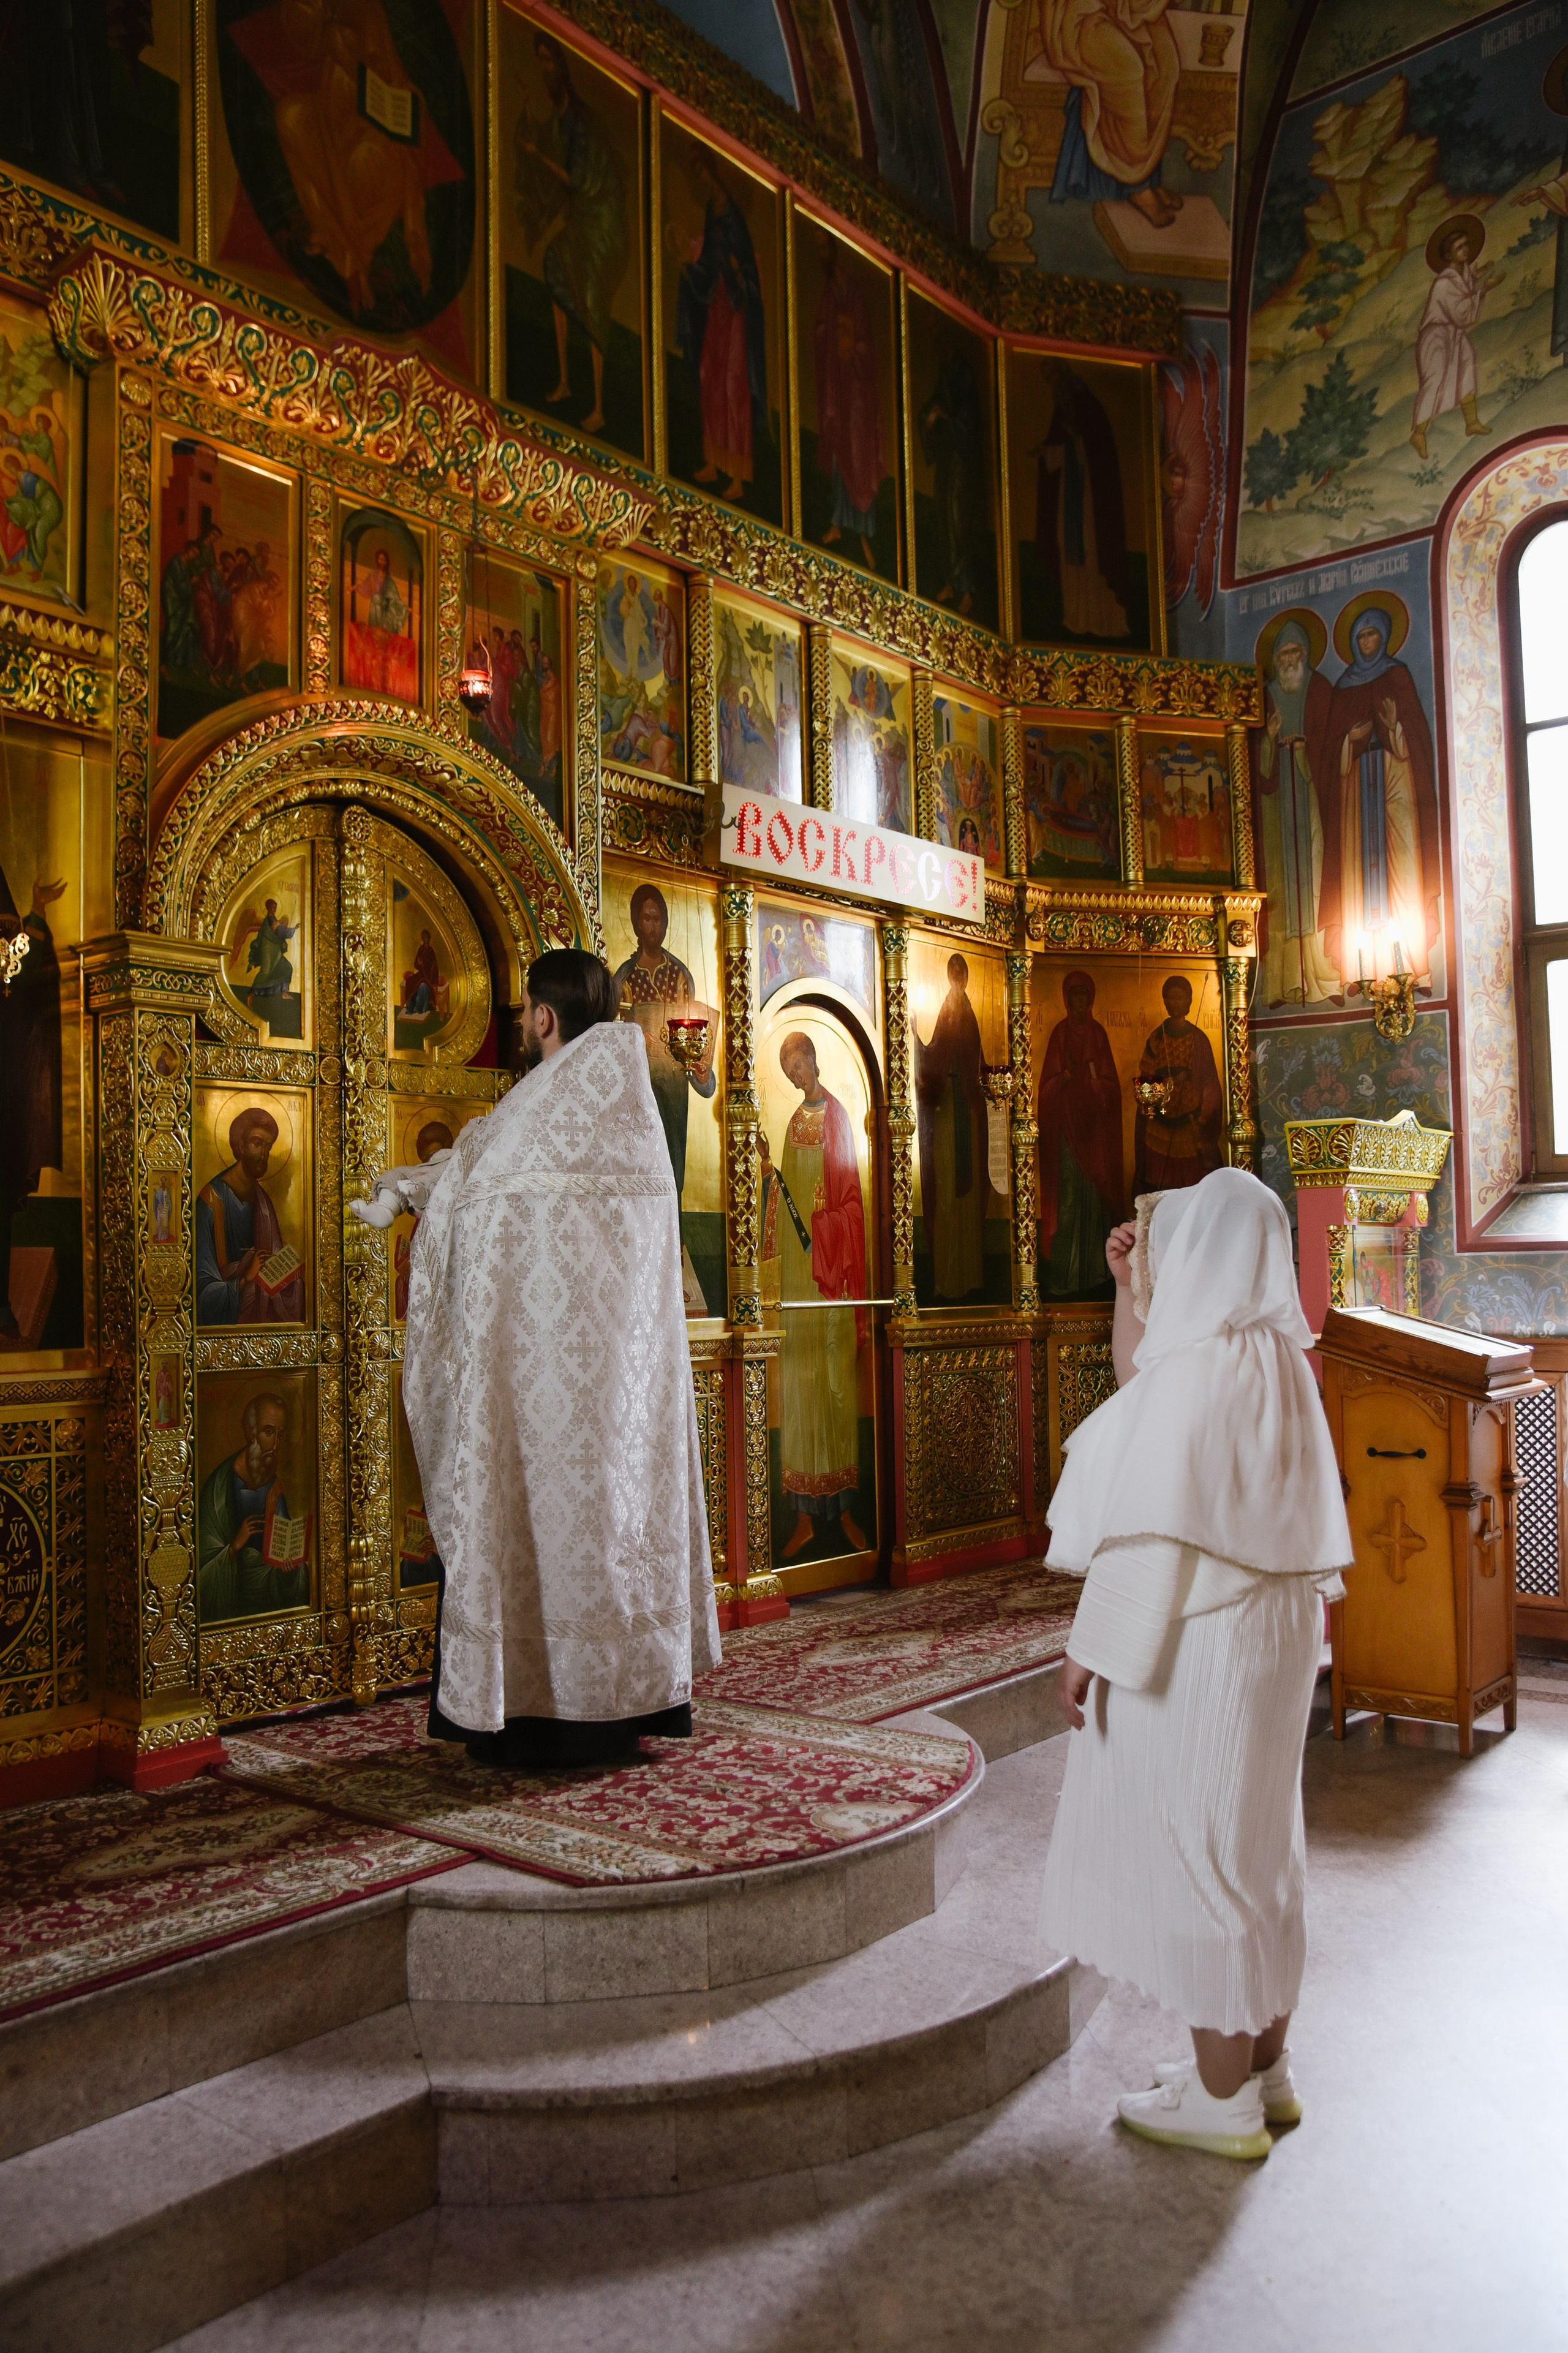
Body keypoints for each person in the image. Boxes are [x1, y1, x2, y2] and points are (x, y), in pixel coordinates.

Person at [1042, 1170, 1352, 2159]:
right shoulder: (1279, 1361)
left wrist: (1092, 1648)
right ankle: (1261, 2072)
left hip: (1210, 1635)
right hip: (1281, 1630)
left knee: (1201, 1850)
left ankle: (1219, 2104)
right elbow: (1150, 1381)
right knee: (1263, 1848)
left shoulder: (1203, 1374)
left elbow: (1151, 1529)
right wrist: (1130, 1289)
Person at [395, 948, 720, 1766]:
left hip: (532, 1389)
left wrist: (402, 1192)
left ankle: (530, 1712)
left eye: (526, 1013)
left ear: (543, 1016)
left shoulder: (528, 1115)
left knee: (524, 1522)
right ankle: (625, 1703)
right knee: (613, 1523)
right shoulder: (634, 1107)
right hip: (621, 1393)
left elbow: (465, 1190)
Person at [761, 1030, 869, 1561]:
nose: (796, 1074)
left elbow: (851, 1200)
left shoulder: (838, 1119)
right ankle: (804, 1517)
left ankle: (845, 1509)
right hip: (799, 1274)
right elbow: (784, 1198)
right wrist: (768, 1174)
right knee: (802, 1388)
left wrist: (829, 1228)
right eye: (788, 1070)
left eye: (799, 1063)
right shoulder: (791, 1124)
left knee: (834, 1383)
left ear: (815, 1061)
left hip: (833, 1272)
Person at [517, 31, 629, 438]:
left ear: (563, 68)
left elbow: (577, 179)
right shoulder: (562, 116)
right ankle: (565, 381)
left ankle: (600, 406)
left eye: (549, 60)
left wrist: (537, 156)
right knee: (555, 265)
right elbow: (549, 143)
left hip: (601, 223)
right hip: (581, 219)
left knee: (594, 301)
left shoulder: (581, 122)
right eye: (540, 60)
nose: (544, 68)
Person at [1322, 604, 1439, 991]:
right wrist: (1348, 742)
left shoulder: (1398, 676)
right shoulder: (1343, 688)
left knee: (1403, 870)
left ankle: (1412, 963)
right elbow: (1331, 751)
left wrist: (1394, 729)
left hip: (1396, 779)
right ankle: (1360, 970)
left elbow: (1417, 738)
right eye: (1360, 637)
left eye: (1372, 635)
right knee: (1358, 874)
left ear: (1385, 637)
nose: (1367, 642)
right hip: (1355, 785)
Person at [1256, 617, 1340, 1008]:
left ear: (1306, 655)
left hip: (1311, 790)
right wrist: (1271, 740)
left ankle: (1323, 975)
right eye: (1283, 653)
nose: (1290, 660)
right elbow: (1253, 760)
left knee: (1315, 874)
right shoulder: (1265, 695)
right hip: (1278, 804)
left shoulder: (1320, 689)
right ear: (1275, 660)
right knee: (1283, 883)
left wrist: (1308, 749)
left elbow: (1332, 740)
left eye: (1295, 652)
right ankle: (1283, 982)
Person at [1041, 0, 1181, 230]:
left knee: (1168, 66)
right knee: (1130, 71)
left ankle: (1148, 175)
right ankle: (1137, 185)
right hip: (1079, 15)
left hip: (1125, 7)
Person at [676, 150, 767, 505]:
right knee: (708, 376)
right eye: (697, 175)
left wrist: (737, 275)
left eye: (704, 172)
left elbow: (745, 267)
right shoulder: (710, 215)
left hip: (736, 310)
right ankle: (714, 461)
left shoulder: (732, 217)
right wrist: (692, 271)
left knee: (732, 387)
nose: (702, 180)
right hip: (717, 305)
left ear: (715, 174)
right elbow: (710, 261)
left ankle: (738, 477)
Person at [1036, 969, 1123, 1298]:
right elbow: (1046, 1089)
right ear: (1067, 999)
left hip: (1094, 1135)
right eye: (1074, 995)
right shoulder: (1059, 1034)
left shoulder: (1099, 1035)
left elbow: (1112, 1086)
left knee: (1095, 1203)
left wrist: (1098, 1083)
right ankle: (1066, 1276)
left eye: (1084, 995)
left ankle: (1098, 1274)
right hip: (1067, 1133)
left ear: (1091, 999)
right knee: (1070, 1200)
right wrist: (1067, 1078)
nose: (1080, 1002)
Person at [1035, 361, 1130, 641]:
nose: (1052, 383)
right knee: (1069, 547)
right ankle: (1076, 617)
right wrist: (1047, 451)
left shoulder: (1086, 403)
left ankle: (1103, 619)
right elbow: (1061, 441)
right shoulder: (1062, 404)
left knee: (1092, 548)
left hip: (1090, 496)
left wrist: (1072, 441)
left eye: (1052, 375)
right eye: (1048, 378)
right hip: (1071, 493)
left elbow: (1094, 444)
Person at [197, 1390, 311, 1623]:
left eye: (280, 1435)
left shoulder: (273, 1485)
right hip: (232, 1593)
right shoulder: (220, 1487)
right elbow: (202, 1562)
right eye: (269, 1432)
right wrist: (234, 1546)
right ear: (251, 1433)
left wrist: (289, 1566)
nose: (276, 1444)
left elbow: (283, 1543)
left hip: (266, 1593)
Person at [914, 954, 989, 1303]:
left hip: (968, 1111)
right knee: (946, 1192)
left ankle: (972, 1276)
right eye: (953, 973)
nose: (958, 978)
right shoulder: (946, 1011)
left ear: (967, 977)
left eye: (963, 973)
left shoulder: (969, 1014)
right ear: (948, 976)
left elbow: (979, 1063)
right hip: (946, 1114)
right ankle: (947, 1278)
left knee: (969, 1196)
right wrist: (914, 1040)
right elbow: (934, 1058)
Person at [195, 1106, 306, 1325]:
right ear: (240, 1145)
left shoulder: (263, 1201)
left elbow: (273, 1254)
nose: (264, 1155)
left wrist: (281, 1269)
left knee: (298, 1285)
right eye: (257, 1144)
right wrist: (245, 1278)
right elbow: (202, 1287)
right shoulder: (211, 1200)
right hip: (232, 1292)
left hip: (258, 1285)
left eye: (269, 1147)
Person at [813, 241, 884, 570]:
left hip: (857, 396)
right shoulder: (830, 296)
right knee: (840, 450)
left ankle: (864, 534)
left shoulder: (855, 300)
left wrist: (852, 350)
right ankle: (837, 523)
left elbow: (866, 347)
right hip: (839, 389)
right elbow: (823, 335)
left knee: (859, 457)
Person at [1409, 217, 1498, 461]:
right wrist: (1484, 290)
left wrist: (1478, 276)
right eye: (1460, 248)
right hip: (1436, 337)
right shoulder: (1443, 283)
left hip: (1453, 335)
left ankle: (1471, 423)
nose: (1466, 250)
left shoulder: (1461, 273)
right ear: (1449, 254)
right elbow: (1461, 313)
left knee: (1467, 366)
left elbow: (1466, 286)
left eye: (1466, 245)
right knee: (1435, 381)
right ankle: (1418, 433)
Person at [1133, 975, 1223, 1193]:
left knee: (1192, 1184)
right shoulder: (1156, 1038)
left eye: (1181, 998)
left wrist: (1202, 1118)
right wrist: (1169, 1083)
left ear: (1189, 1001)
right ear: (1165, 1001)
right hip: (1159, 1128)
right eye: (1171, 998)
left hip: (1190, 1124)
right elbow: (1146, 1082)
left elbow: (1210, 1083)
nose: (1176, 1003)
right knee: (1159, 1185)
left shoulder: (1199, 1039)